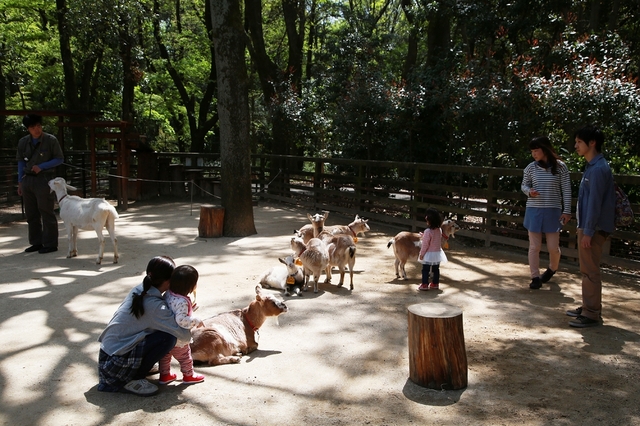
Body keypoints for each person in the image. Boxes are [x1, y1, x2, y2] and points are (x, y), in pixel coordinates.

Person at [98, 256, 192, 396]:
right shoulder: (155, 306)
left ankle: (136, 370)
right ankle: (134, 379)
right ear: (167, 281)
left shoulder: (139, 290)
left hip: (106, 359)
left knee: (159, 333)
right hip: (114, 369)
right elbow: (184, 335)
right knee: (168, 338)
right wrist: (187, 318)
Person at [566, 125, 615, 328]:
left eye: (579, 142)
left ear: (591, 143)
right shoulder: (593, 167)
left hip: (592, 230)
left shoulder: (598, 169)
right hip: (589, 227)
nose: (575, 145)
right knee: (587, 269)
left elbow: (595, 203)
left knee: (590, 271)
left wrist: (588, 231)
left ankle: (592, 313)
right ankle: (589, 307)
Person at [521, 136, 572, 289]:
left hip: (553, 210)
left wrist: (567, 211)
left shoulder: (561, 167)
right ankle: (535, 277)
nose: (534, 154)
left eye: (536, 151)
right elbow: (524, 185)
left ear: (545, 149)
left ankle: (552, 268)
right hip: (534, 210)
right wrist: (529, 191)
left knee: (553, 247)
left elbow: (566, 190)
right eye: (532, 151)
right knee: (534, 246)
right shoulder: (531, 168)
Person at [16, 114, 64, 254]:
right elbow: (20, 162)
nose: (36, 129)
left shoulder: (50, 140)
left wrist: (42, 166)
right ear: (27, 129)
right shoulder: (23, 142)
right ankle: (36, 242)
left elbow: (59, 159)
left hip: (44, 179)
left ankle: (50, 243)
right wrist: (20, 182)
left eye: (38, 126)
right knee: (31, 213)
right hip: (27, 179)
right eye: (32, 127)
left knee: (46, 211)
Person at [158, 265, 205, 385]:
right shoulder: (183, 301)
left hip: (165, 334)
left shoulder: (168, 294)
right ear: (190, 286)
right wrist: (196, 320)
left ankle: (165, 375)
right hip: (178, 338)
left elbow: (173, 310)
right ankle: (189, 375)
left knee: (165, 356)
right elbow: (181, 320)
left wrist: (191, 309)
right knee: (185, 357)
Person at [417, 208, 448, 291]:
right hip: (437, 253)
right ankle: (435, 283)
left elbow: (425, 244)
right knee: (436, 269)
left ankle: (424, 284)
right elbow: (435, 239)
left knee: (425, 269)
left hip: (429, 253)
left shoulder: (428, 231)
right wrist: (425, 235)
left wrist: (422, 254)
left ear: (429, 221)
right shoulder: (439, 230)